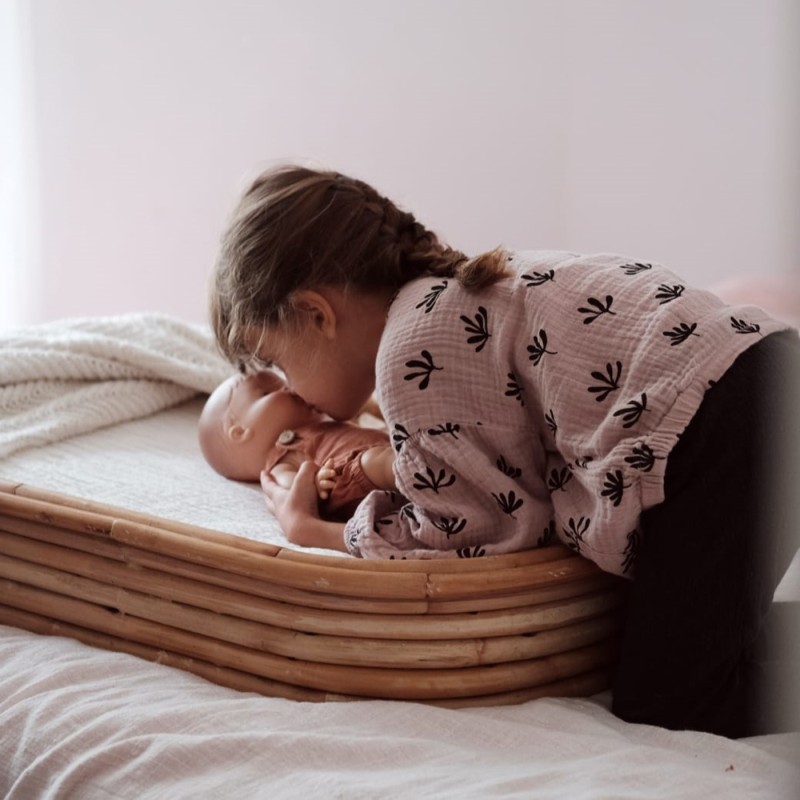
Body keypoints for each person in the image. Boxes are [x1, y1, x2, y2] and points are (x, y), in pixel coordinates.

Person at [209, 163, 800, 738]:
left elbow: (484, 534)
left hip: (725, 427)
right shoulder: (454, 294)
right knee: (690, 631)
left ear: (317, 314)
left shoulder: (408, 355)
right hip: (756, 382)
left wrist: (313, 531)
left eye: (278, 365)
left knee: (668, 697)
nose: (292, 390)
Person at [198, 370, 395, 532]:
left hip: (380, 453)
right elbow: (297, 492)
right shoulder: (280, 462)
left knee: (388, 452)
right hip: (351, 479)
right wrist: (315, 484)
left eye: (285, 381)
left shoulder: (322, 424)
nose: (290, 388)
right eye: (266, 392)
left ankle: (413, 466)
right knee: (377, 462)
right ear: (240, 432)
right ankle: (414, 468)